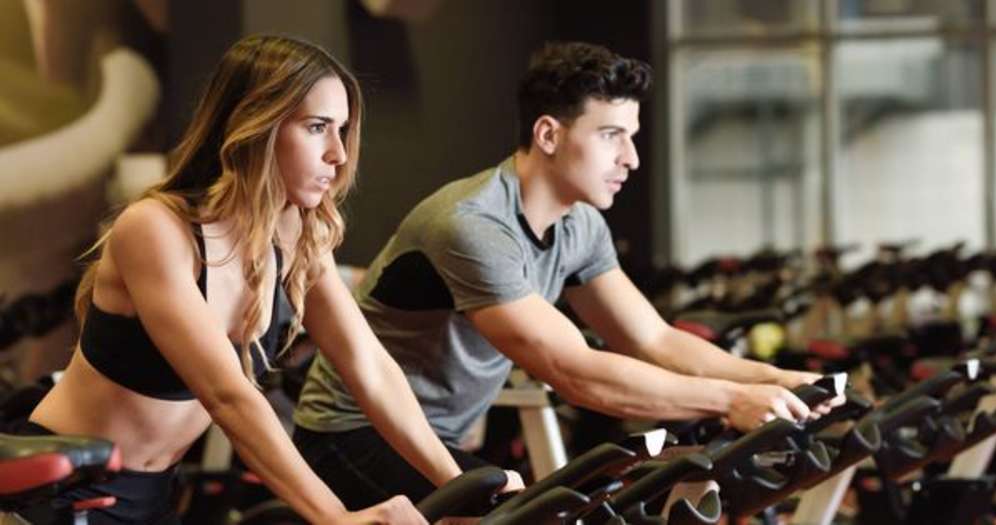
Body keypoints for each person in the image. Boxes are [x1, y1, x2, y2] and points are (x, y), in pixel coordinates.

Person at [293, 41, 838, 508]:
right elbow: (573, 372)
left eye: (632, 136)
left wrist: (774, 381)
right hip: (349, 436)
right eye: (611, 135)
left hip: (432, 437)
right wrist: (728, 401)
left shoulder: (581, 226)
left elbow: (653, 339)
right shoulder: (471, 225)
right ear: (549, 135)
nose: (631, 158)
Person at [20, 34, 485, 525]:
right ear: (255, 125)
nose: (338, 154)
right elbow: (227, 395)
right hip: (62, 492)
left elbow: (368, 365)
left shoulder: (298, 238)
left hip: (155, 496)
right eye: (317, 127)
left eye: (342, 130)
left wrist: (459, 483)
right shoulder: (157, 230)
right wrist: (335, 517)